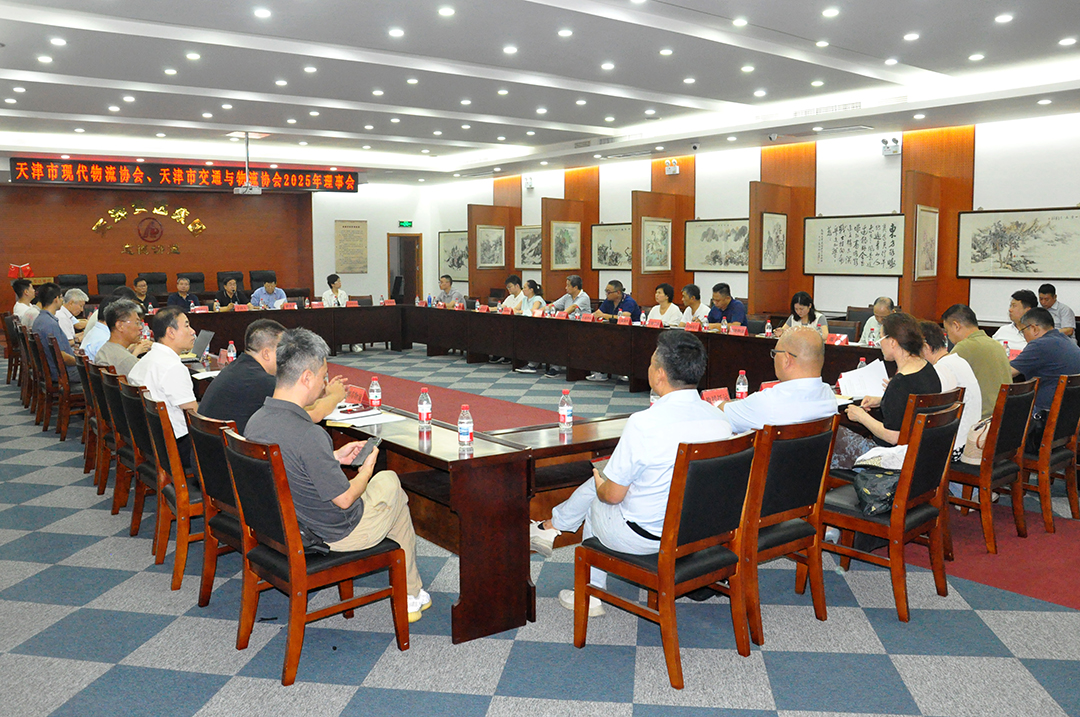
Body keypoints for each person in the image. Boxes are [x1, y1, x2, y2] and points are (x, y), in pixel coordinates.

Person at [529, 331, 732, 616]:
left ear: (659, 374)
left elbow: (612, 496)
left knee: (598, 498)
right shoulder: (721, 420)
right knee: (608, 482)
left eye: (651, 362)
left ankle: (589, 593)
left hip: (648, 538)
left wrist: (601, 484)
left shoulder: (644, 423)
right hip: (701, 531)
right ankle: (551, 527)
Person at [245, 328, 430, 622]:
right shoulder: (308, 433)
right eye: (323, 376)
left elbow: (285, 464)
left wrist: (332, 458)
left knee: (390, 500)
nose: (324, 385)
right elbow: (344, 499)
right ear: (306, 377)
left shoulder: (256, 421)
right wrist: (366, 471)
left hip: (282, 528)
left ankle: (411, 591)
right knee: (390, 483)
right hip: (335, 535)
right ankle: (410, 594)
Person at [199, 319, 347, 433]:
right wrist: (335, 396)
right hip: (229, 460)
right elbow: (311, 415)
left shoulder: (239, 367)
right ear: (266, 353)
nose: (288, 354)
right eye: (282, 349)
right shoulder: (261, 381)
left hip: (214, 454)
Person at [839, 313, 941, 462]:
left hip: (891, 458)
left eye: (880, 338)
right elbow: (910, 403)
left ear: (893, 342)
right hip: (922, 453)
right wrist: (882, 401)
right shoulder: (928, 369)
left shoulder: (900, 382)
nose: (879, 344)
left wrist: (861, 416)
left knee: (834, 434)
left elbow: (893, 437)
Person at [719, 328, 838, 432]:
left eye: (775, 353)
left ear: (787, 359)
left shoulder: (768, 403)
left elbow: (720, 413)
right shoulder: (829, 396)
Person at [127, 307, 198, 470]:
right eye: (187, 325)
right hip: (176, 446)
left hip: (149, 441)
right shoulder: (172, 367)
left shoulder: (144, 361)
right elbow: (194, 415)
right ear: (171, 332)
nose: (193, 331)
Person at [1009, 307, 1080, 450]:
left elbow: (1008, 372)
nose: (1024, 337)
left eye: (1023, 331)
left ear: (1034, 328)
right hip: (1068, 424)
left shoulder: (1040, 344)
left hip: (1043, 424)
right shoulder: (1068, 342)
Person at [919, 320, 982, 458]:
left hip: (956, 447)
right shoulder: (958, 361)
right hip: (968, 441)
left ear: (926, 347)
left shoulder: (941, 369)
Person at [942, 304, 1012, 421]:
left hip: (980, 420)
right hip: (1003, 417)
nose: (948, 337)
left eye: (948, 331)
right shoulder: (996, 345)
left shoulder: (964, 347)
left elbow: (942, 378)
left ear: (956, 326)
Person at [30, 282, 81, 386]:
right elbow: (62, 357)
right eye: (61, 297)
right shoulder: (50, 324)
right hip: (63, 372)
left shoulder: (39, 320)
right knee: (97, 373)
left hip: (52, 370)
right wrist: (81, 362)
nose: (62, 300)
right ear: (56, 299)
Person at [544, 275, 592, 378]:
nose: (566, 288)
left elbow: (573, 307)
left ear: (575, 287)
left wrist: (560, 315)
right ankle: (555, 367)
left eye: (568, 285)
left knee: (558, 338)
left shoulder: (584, 297)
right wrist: (540, 311)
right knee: (551, 336)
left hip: (581, 329)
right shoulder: (567, 296)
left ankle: (560, 367)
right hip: (567, 327)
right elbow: (553, 305)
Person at [93, 299, 152, 376]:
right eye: (137, 323)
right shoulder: (126, 359)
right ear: (120, 326)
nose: (140, 327)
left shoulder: (104, 349)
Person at [513, 281, 547, 374]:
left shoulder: (537, 299)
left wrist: (520, 311)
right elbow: (515, 309)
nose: (523, 290)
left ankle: (532, 364)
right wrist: (519, 311)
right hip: (527, 325)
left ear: (531, 290)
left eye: (525, 288)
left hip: (540, 327)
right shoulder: (524, 299)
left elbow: (533, 311)